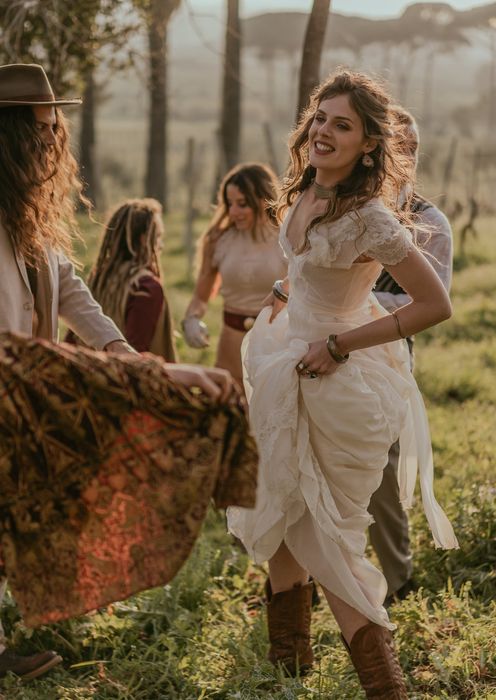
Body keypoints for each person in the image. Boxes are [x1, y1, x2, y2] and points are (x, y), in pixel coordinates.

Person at [226, 70, 457, 698]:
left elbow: (434, 305)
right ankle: (287, 671)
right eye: (321, 118)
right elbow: (306, 267)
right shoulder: (303, 188)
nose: (326, 131)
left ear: (368, 145)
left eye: (343, 125)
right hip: (282, 359)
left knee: (326, 537)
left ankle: (388, 690)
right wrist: (287, 290)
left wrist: (337, 343)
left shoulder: (371, 217)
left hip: (333, 378)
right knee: (278, 510)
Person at [0, 63, 232, 681]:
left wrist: (130, 359)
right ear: (11, 135)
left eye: (57, 129)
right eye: (44, 129)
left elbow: (69, 289)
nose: (55, 143)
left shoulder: (27, 214)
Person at [368, 105, 453, 604]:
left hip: (390, 355)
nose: (406, 157)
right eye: (396, 146)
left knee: (382, 470)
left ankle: (399, 582)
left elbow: (432, 297)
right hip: (319, 350)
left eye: (413, 148)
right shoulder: (337, 207)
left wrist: (354, 305)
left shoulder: (429, 220)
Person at [182, 163, 286, 389]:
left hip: (277, 345)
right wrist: (191, 318)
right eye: (229, 204)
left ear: (264, 200)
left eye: (242, 204)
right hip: (231, 348)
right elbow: (201, 295)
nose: (233, 212)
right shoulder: (218, 240)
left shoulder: (288, 238)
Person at [67, 198, 177, 361]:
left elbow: (72, 339)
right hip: (127, 380)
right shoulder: (146, 287)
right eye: (158, 237)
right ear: (144, 239)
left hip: (89, 376)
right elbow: (136, 350)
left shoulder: (100, 278)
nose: (161, 245)